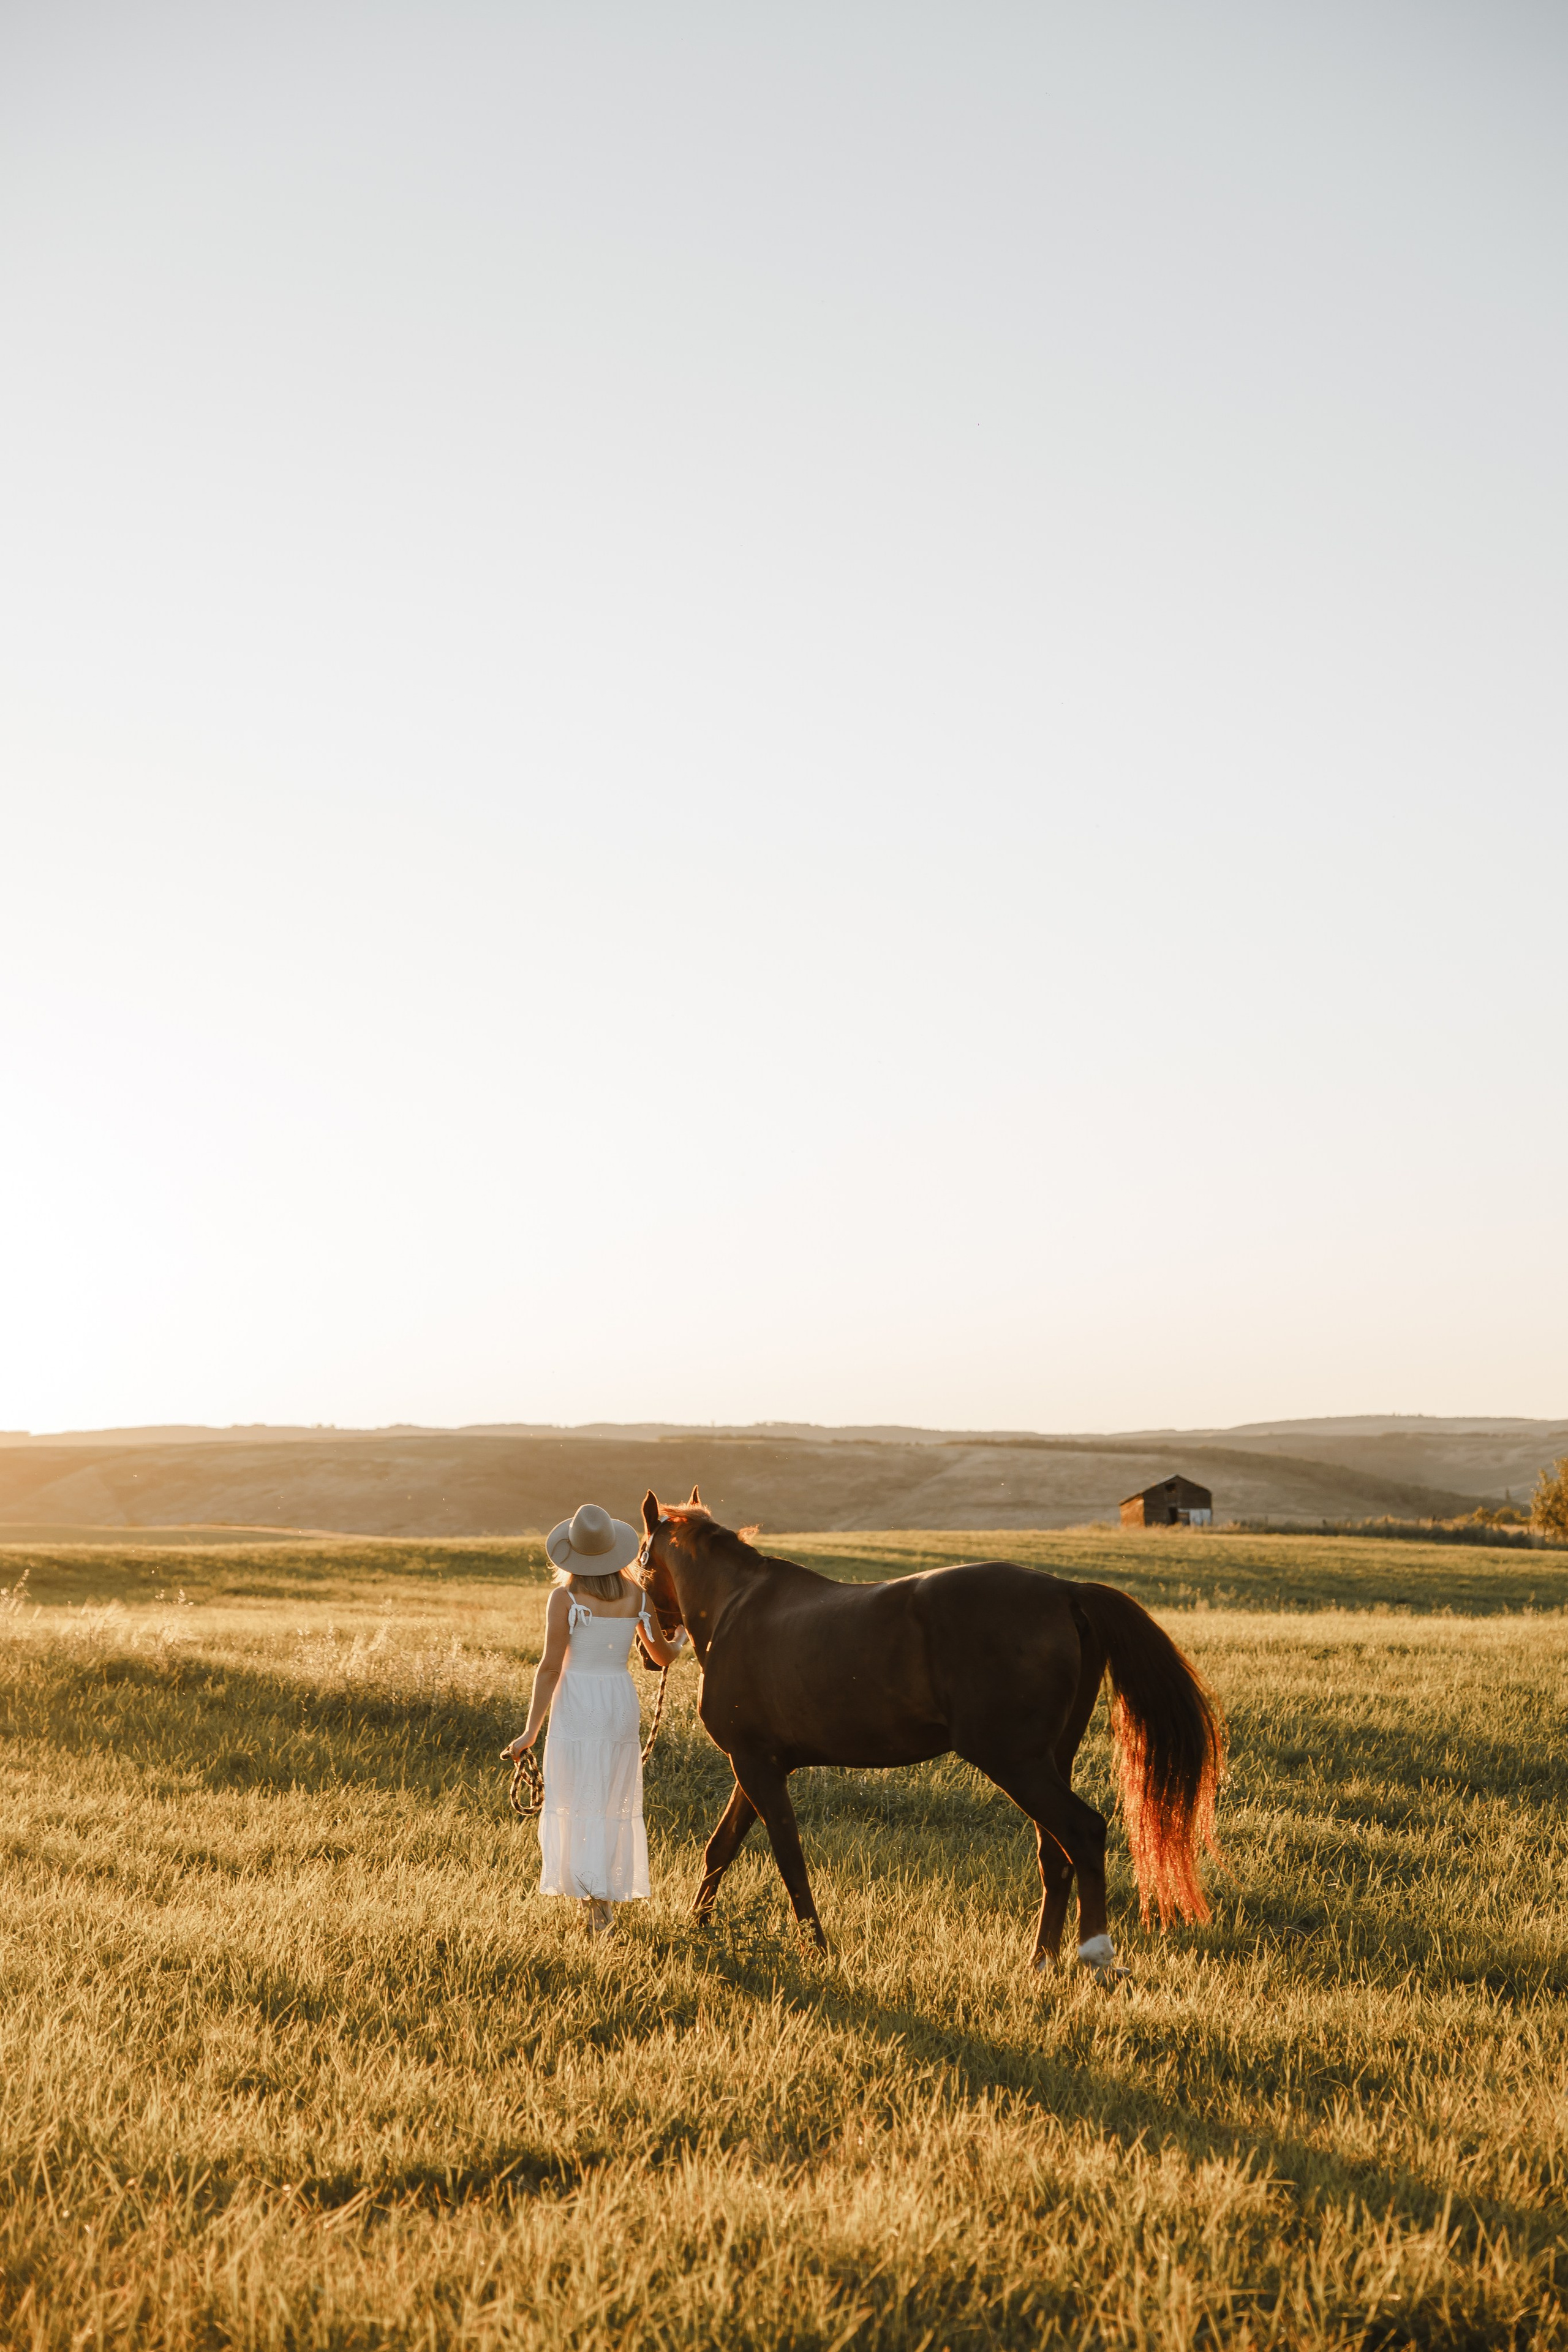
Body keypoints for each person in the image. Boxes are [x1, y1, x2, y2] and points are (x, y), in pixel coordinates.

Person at [504, 1501, 685, 1937]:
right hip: (618, 1698)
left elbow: (550, 1667)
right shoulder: (637, 1596)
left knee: (578, 1794)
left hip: (577, 1697)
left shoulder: (564, 1598)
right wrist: (679, 1641)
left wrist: (530, 1731)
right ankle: (602, 1899)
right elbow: (660, 1658)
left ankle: (593, 1902)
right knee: (609, 1797)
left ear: (572, 1553)